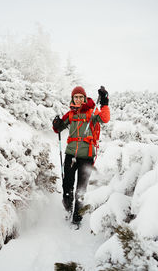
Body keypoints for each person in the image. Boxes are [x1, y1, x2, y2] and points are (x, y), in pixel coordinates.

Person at [52, 86, 110, 226]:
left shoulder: (92, 112)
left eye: (80, 97)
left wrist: (104, 103)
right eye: (75, 97)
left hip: (87, 156)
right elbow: (58, 129)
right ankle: (67, 209)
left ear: (84, 98)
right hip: (70, 154)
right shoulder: (70, 114)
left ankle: (76, 220)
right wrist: (56, 124)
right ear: (73, 99)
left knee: (81, 190)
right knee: (67, 187)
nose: (78, 99)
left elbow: (105, 118)